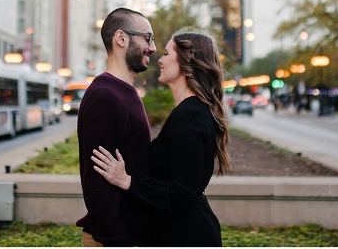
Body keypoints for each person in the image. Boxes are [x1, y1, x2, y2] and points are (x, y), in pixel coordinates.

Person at [91, 29, 232, 246]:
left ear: (185, 61)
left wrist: (127, 181)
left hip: (185, 236)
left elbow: (181, 195)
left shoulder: (189, 116)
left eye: (167, 53)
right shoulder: (193, 111)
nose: (160, 59)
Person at [76, 8, 157, 247]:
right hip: (113, 240)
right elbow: (97, 183)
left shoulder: (123, 92)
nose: (152, 48)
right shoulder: (105, 97)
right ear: (121, 39)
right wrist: (118, 241)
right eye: (147, 38)